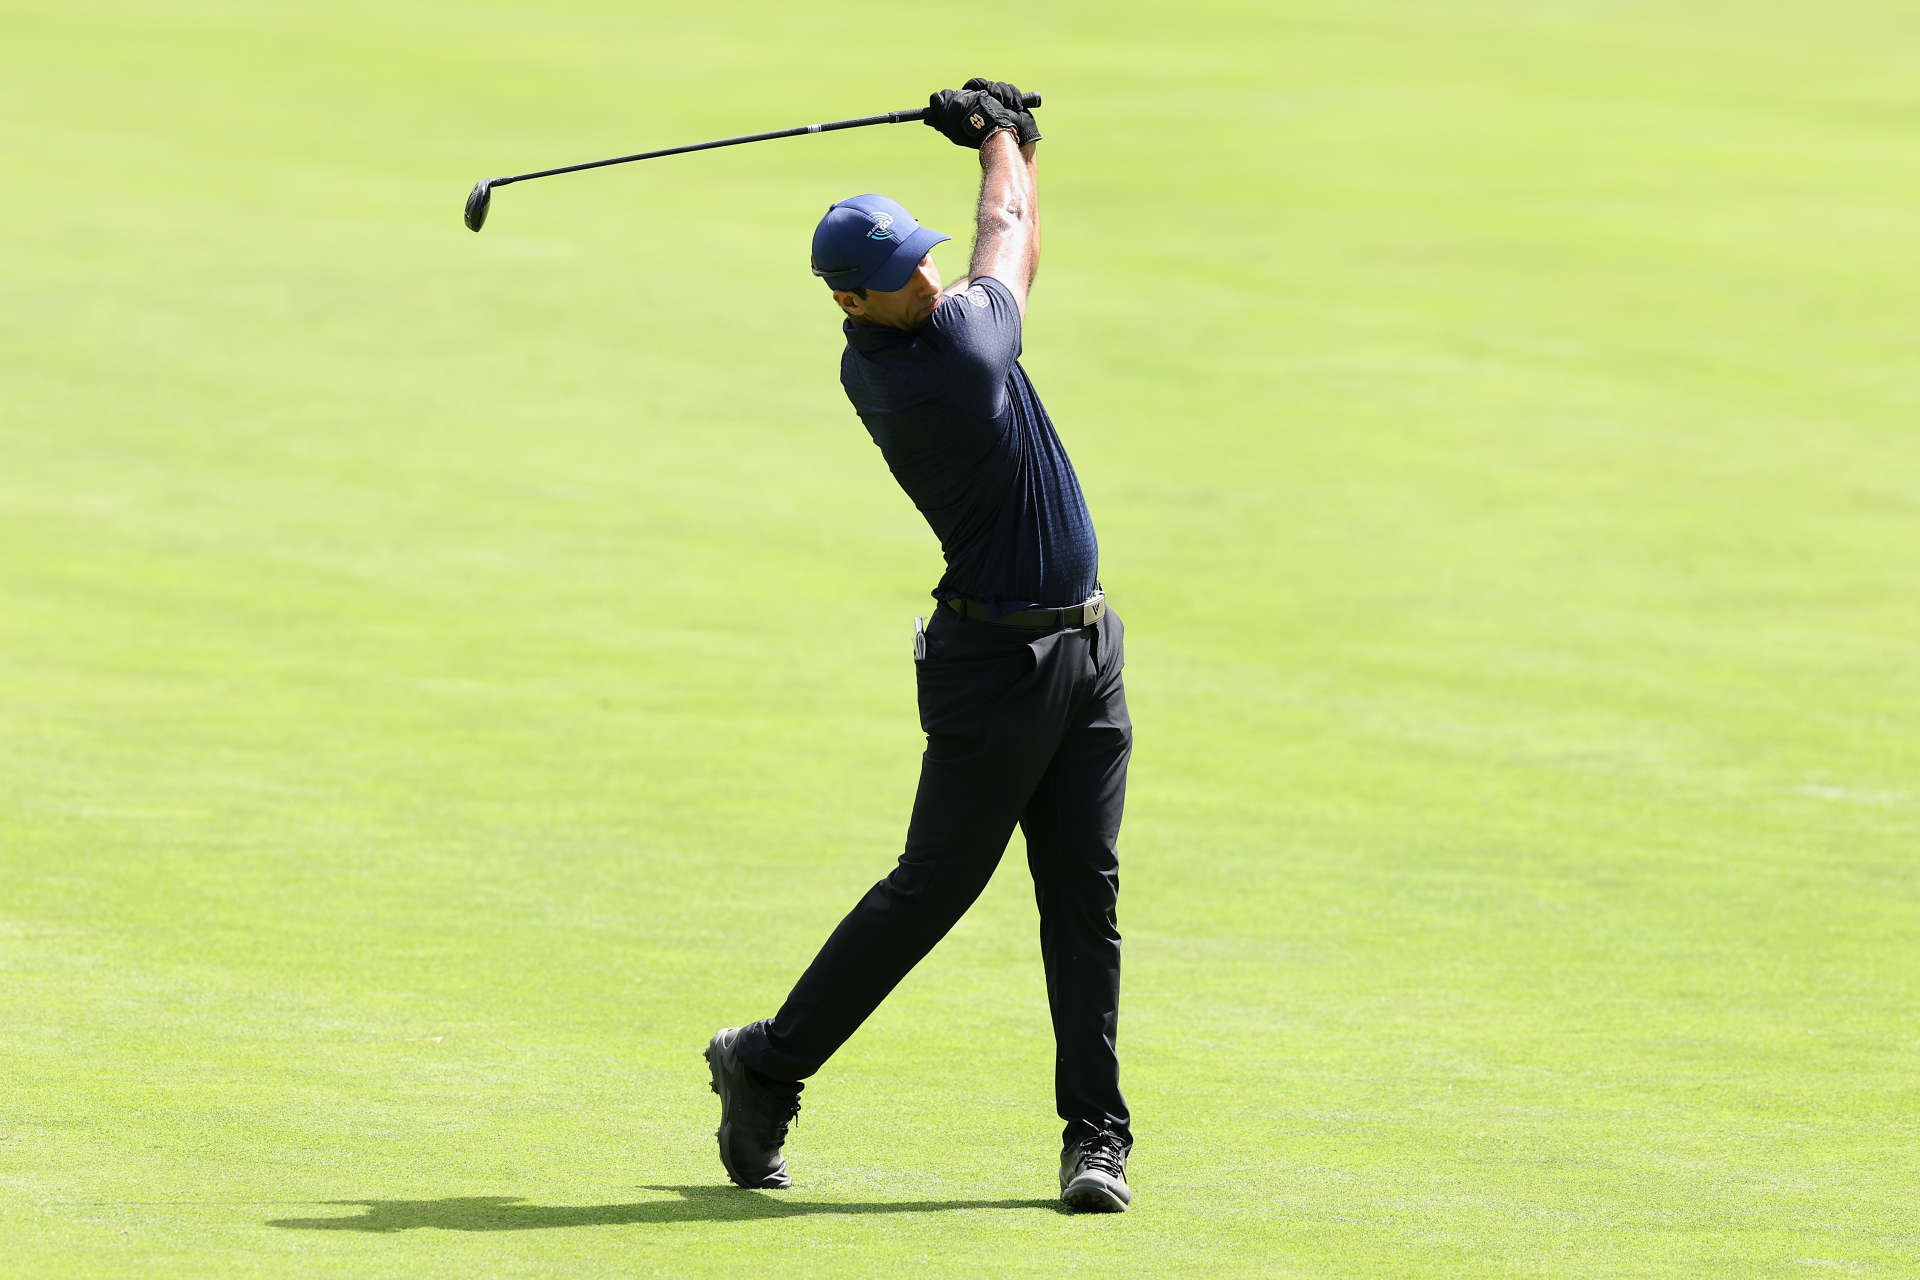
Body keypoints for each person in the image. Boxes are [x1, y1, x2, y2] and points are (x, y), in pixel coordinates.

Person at [704, 79, 1135, 1214]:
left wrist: (1018, 147)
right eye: (901, 273)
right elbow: (1010, 231)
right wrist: (998, 139)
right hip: (994, 670)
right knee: (933, 890)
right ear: (851, 300)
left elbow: (1009, 231)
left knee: (1082, 896)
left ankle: (1096, 1138)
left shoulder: (928, 322)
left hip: (1086, 648)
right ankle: (767, 1063)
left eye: (923, 255)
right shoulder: (936, 362)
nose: (928, 276)